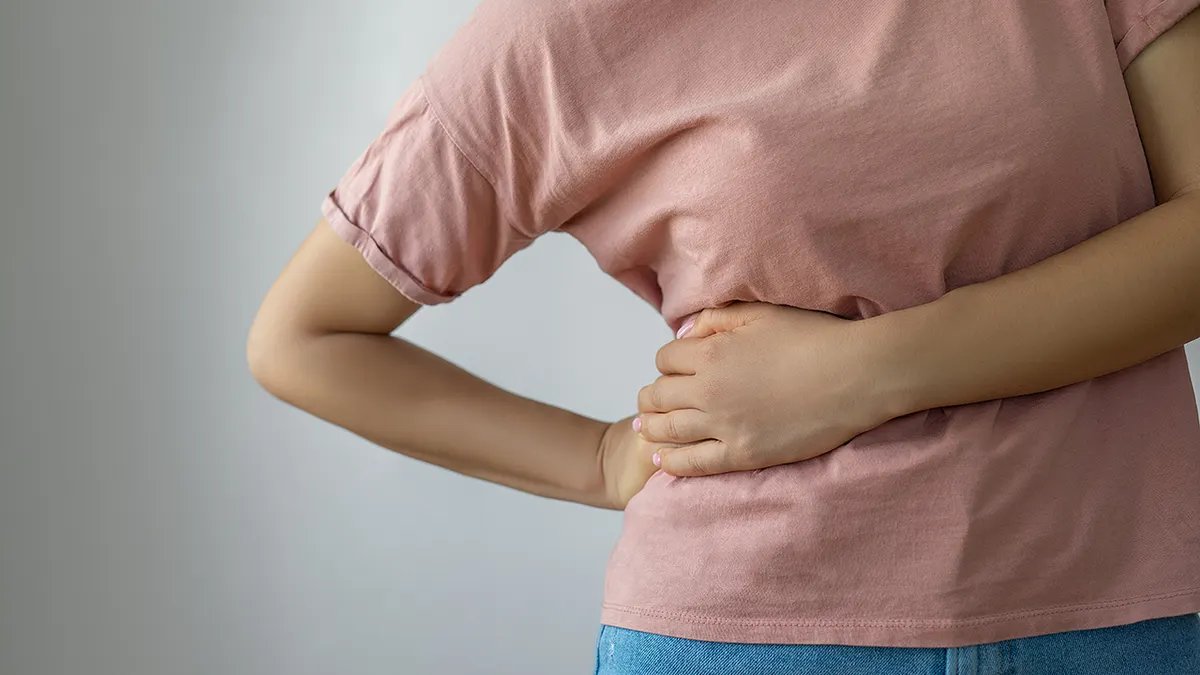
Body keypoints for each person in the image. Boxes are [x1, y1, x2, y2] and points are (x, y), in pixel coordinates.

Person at [247, 0, 1200, 672]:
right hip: (747, 640)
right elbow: (304, 336)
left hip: (1128, 618)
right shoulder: (547, 38)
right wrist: (602, 458)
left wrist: (868, 372)